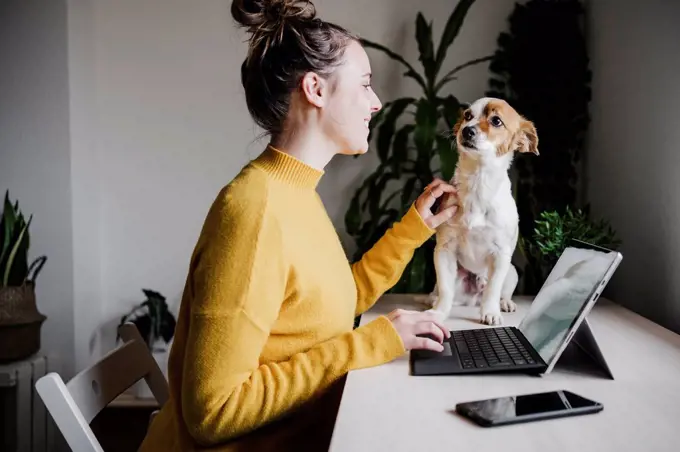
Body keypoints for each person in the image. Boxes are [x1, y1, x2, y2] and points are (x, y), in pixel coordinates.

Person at [138, 0, 458, 450]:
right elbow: (213, 411)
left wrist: (413, 229)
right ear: (316, 89)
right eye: (365, 85)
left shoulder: (294, 193)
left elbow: (328, 309)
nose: (376, 101)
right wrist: (367, 345)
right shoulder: (254, 210)